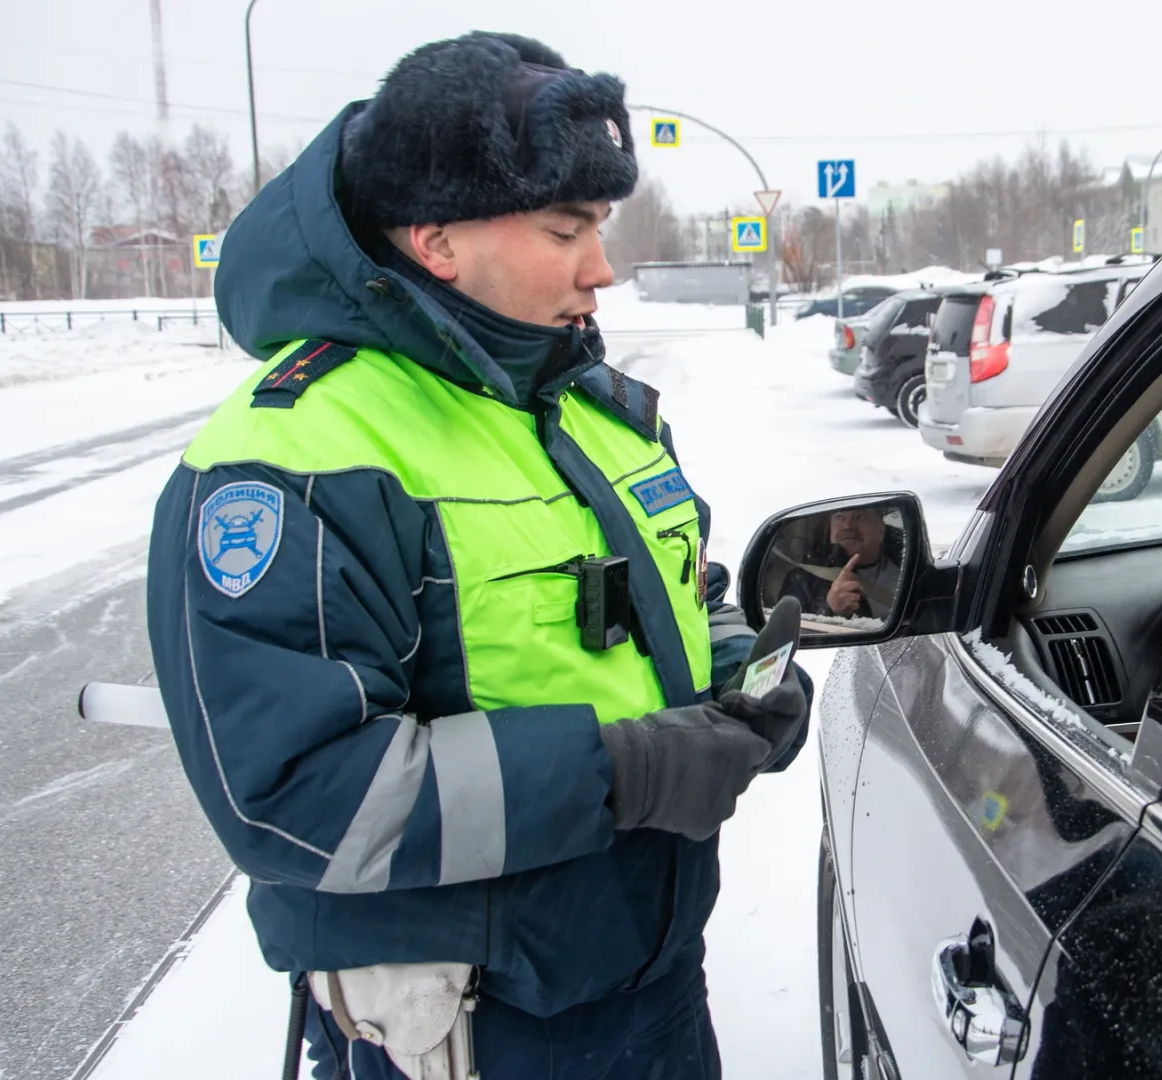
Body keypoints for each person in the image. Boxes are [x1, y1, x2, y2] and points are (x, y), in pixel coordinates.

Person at [145, 32, 808, 1080]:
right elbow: (297, 795)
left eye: (601, 226)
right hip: (465, 1027)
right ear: (435, 240)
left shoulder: (591, 407)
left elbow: (679, 591)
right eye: (565, 230)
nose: (602, 268)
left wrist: (738, 673)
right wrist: (628, 773)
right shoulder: (297, 451)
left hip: (651, 975)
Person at [780, 505, 906, 619]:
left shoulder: (907, 573)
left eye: (860, 517)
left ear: (881, 531)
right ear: (830, 530)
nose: (848, 526)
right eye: (840, 517)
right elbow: (788, 629)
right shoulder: (802, 578)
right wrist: (829, 609)